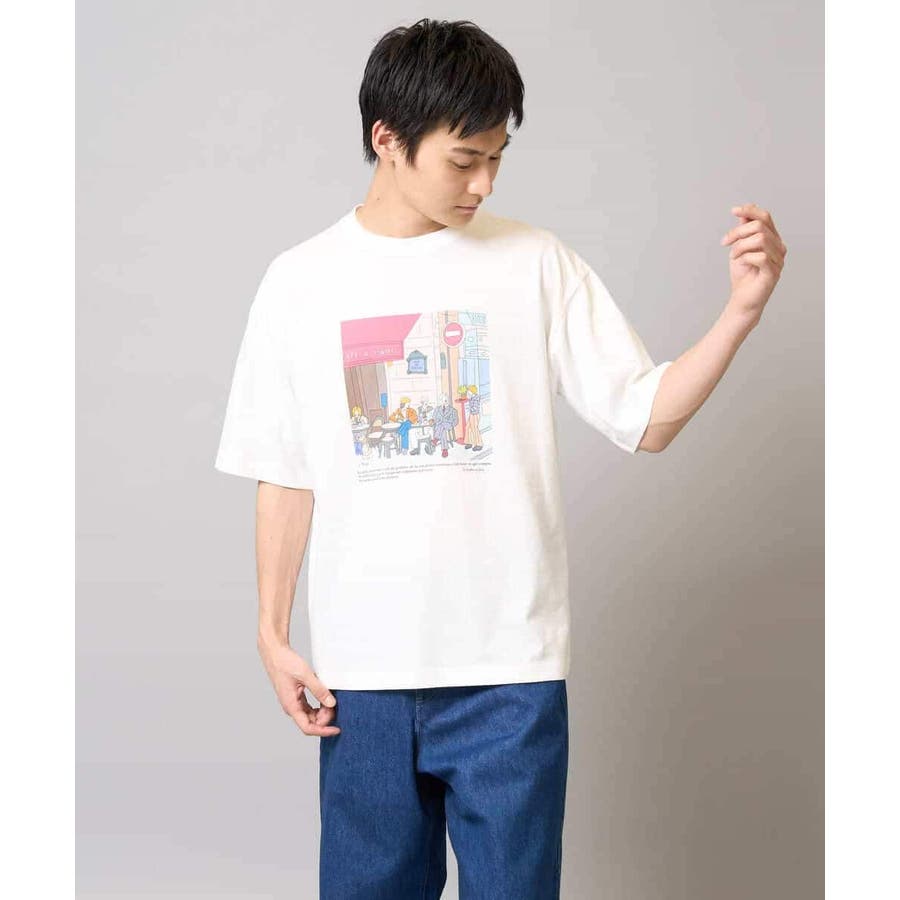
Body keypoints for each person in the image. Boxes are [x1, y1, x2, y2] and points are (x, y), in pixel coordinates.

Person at [213, 17, 786, 900]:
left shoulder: (534, 264)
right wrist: (272, 632)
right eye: (463, 160)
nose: (483, 182)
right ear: (387, 140)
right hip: (362, 675)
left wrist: (742, 310)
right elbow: (285, 470)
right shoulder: (301, 282)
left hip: (510, 674)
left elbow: (647, 418)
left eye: (496, 158)